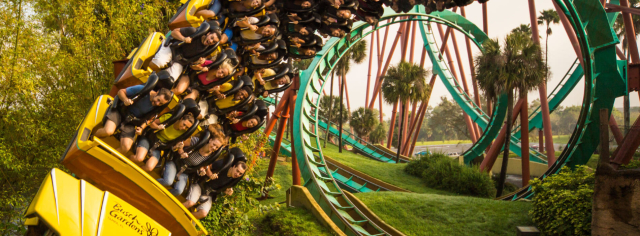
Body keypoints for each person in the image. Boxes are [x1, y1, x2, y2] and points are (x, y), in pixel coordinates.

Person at [94, 86, 173, 154]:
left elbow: (149, 119)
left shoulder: (156, 107)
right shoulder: (143, 90)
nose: (157, 103)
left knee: (126, 147)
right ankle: (91, 138)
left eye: (161, 103)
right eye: (158, 100)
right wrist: (125, 100)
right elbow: (120, 92)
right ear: (157, 92)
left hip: (131, 122)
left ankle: (107, 156)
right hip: (120, 112)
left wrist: (141, 128)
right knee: (108, 131)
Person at [157, 124, 228, 196]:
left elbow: (203, 166)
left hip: (185, 171)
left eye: (216, 147)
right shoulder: (197, 142)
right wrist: (181, 153)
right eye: (214, 144)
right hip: (176, 163)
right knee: (168, 181)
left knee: (178, 190)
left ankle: (161, 196)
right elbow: (181, 143)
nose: (214, 147)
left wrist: (202, 170)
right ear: (210, 140)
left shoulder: (211, 156)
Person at [149, 26, 225, 82]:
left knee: (170, 80)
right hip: (172, 48)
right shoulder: (193, 31)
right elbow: (174, 32)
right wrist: (183, 39)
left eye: (214, 42)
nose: (211, 41)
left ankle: (152, 83)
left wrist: (198, 63)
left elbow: (192, 65)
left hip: (180, 61)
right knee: (158, 62)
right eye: (211, 38)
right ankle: (147, 74)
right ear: (208, 33)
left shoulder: (207, 50)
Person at [183, 157, 247, 219]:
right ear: (234, 167)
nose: (237, 174)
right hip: (200, 185)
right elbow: (207, 166)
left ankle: (184, 217)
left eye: (240, 174)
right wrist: (210, 174)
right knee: (190, 203)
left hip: (209, 194)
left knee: (203, 213)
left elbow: (219, 187)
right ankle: (175, 210)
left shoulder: (233, 180)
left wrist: (226, 191)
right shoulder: (223, 165)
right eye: (237, 171)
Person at [130, 112, 195, 172]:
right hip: (150, 139)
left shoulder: (183, 133)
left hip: (159, 147)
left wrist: (182, 153)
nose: (184, 128)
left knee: (149, 167)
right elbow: (151, 122)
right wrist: (157, 127)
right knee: (139, 158)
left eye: (187, 127)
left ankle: (132, 172)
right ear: (181, 118)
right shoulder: (170, 118)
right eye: (184, 124)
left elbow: (180, 147)